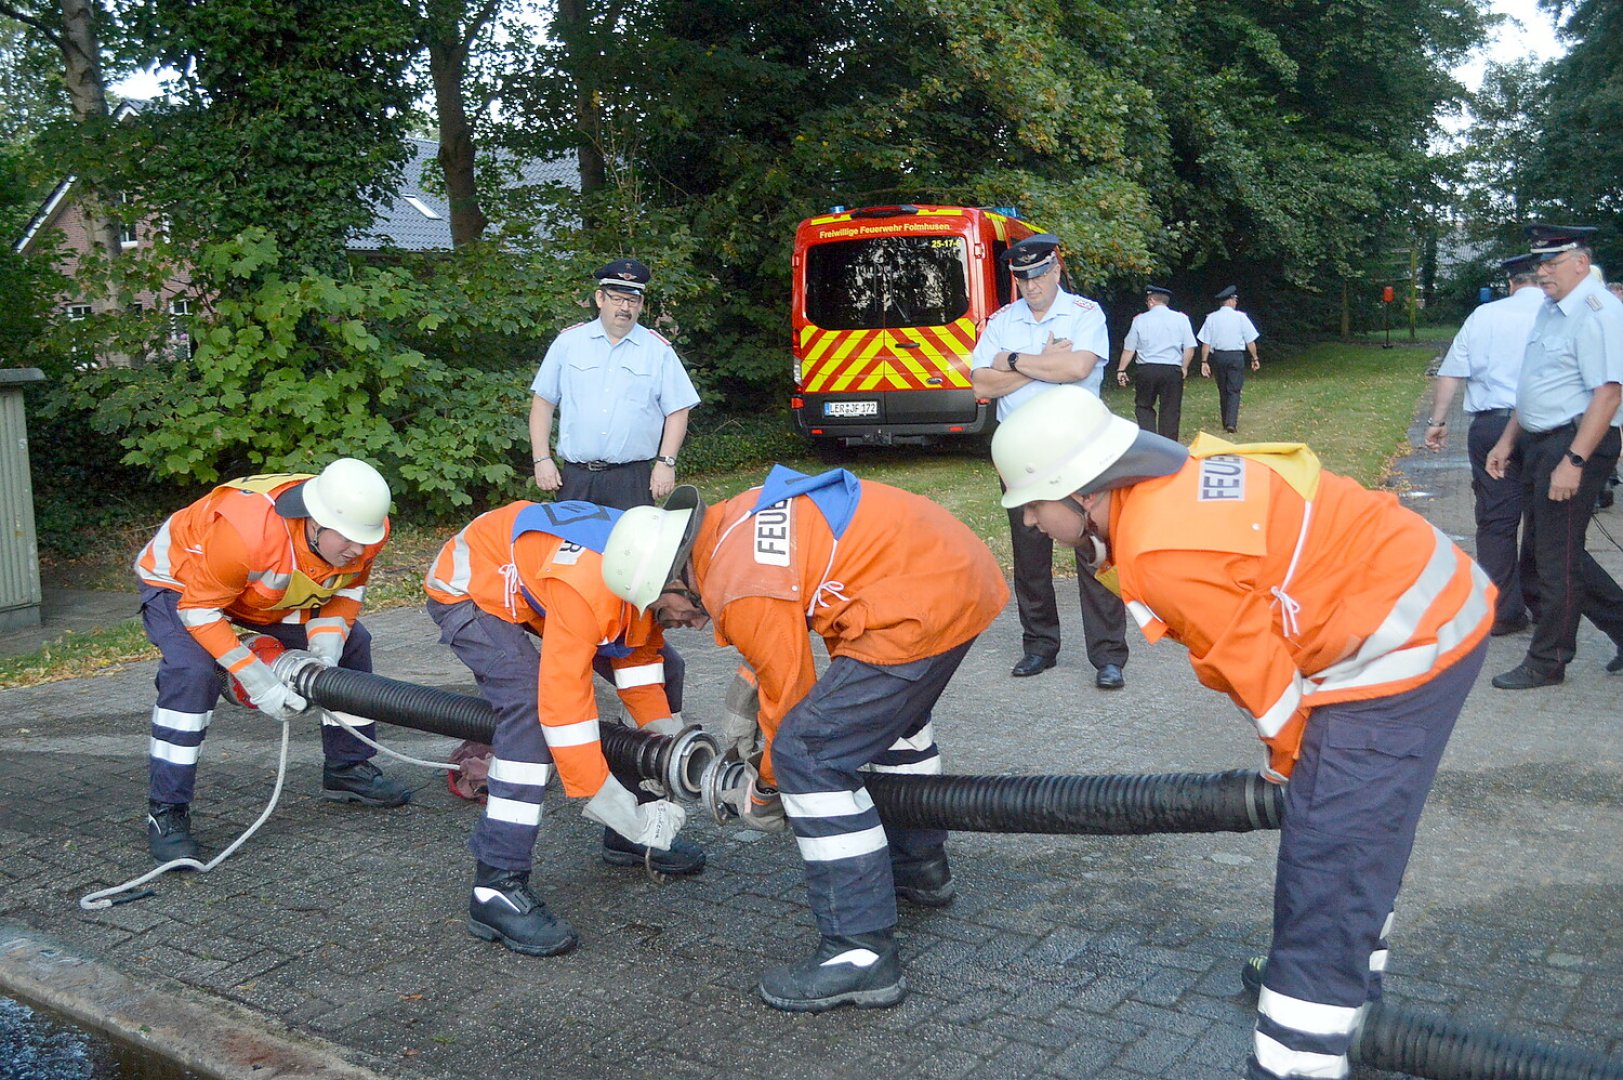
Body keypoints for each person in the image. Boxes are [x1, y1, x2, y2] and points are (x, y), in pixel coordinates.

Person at [992, 385, 1492, 1080]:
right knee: (1343, 830)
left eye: (1032, 506)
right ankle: (1344, 981)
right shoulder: (1162, 492)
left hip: (1405, 643)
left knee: (1329, 853)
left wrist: (1296, 773)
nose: (1030, 523)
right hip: (1405, 604)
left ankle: (1301, 1043)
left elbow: (1264, 689)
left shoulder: (1161, 550)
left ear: (1082, 492)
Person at [600, 470, 1008, 1013]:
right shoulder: (730, 523)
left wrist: (766, 789)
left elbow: (791, 697)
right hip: (950, 575)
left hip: (914, 605)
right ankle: (918, 868)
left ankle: (859, 951)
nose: (672, 624)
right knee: (887, 724)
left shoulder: (736, 581)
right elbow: (791, 606)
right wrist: (749, 687)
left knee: (809, 754)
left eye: (659, 610)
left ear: (675, 581)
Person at [424, 499, 700, 957]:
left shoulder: (639, 570)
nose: (699, 621)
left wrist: (667, 760)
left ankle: (634, 837)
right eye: (694, 607)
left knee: (667, 667)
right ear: (664, 582)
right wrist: (608, 801)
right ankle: (495, 884)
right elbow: (564, 708)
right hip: (469, 587)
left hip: (538, 581)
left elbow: (640, 672)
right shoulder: (589, 585)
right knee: (530, 706)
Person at [135, 459, 409, 863]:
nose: (359, 550)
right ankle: (167, 810)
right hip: (182, 583)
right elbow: (200, 612)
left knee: (355, 642)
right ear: (314, 521)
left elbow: (344, 593)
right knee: (191, 673)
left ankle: (348, 768)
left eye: (364, 540)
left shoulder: (364, 530)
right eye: (349, 540)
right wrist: (259, 682)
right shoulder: (246, 536)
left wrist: (325, 654)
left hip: (255, 594)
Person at [969, 232, 1130, 689]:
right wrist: (1037, 361)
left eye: (1039, 274)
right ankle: (1039, 646)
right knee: (1030, 552)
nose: (1031, 285)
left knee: (1093, 547)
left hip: (1076, 448)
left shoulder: (1084, 314)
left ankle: (1108, 655)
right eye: (1022, 277)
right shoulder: (1001, 320)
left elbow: (1077, 369)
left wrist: (1011, 363)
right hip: (1021, 455)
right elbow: (981, 385)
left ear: (1056, 269)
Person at [1485, 224, 1623, 688]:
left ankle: (1549, 660)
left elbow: (1608, 392)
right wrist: (1506, 441)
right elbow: (1537, 384)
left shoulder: (1597, 312)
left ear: (1581, 263)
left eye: (1552, 262)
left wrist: (1576, 461)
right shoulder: (1552, 309)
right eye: (1538, 264)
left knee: (1554, 560)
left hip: (1574, 443)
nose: (1542, 272)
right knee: (1556, 553)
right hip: (1540, 442)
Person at [1424, 254, 1546, 635]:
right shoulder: (1556, 312)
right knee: (1546, 517)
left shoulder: (1485, 316)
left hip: (1493, 423)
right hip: (1548, 423)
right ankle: (1545, 599)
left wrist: (1437, 422)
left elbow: (1452, 372)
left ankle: (1503, 609)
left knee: (1496, 520)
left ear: (1510, 282)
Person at [528, 258, 701, 510]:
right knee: (572, 548)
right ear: (600, 299)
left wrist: (666, 462)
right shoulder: (568, 344)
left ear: (641, 304)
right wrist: (541, 458)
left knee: (633, 549)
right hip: (576, 479)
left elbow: (678, 410)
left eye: (632, 301)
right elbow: (543, 403)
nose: (624, 308)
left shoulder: (658, 351)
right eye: (617, 298)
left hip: (631, 480)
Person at [1113, 285, 1197, 440]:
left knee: (1144, 406)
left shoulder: (1140, 320)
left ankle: (1150, 442)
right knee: (1170, 409)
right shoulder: (1181, 319)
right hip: (1172, 369)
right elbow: (1189, 347)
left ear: (1151, 300)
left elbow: (1129, 348)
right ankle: (1169, 445)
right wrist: (1184, 367)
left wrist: (1121, 370)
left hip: (1147, 369)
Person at [1197, 285, 1262, 433]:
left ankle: (1225, 420)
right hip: (1235, 356)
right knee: (1234, 389)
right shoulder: (1241, 317)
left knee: (1223, 388)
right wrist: (1255, 358)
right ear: (1231, 301)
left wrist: (1204, 362)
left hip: (1218, 356)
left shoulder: (1211, 318)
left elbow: (1206, 343)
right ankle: (1231, 422)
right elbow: (1250, 340)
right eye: (1235, 299)